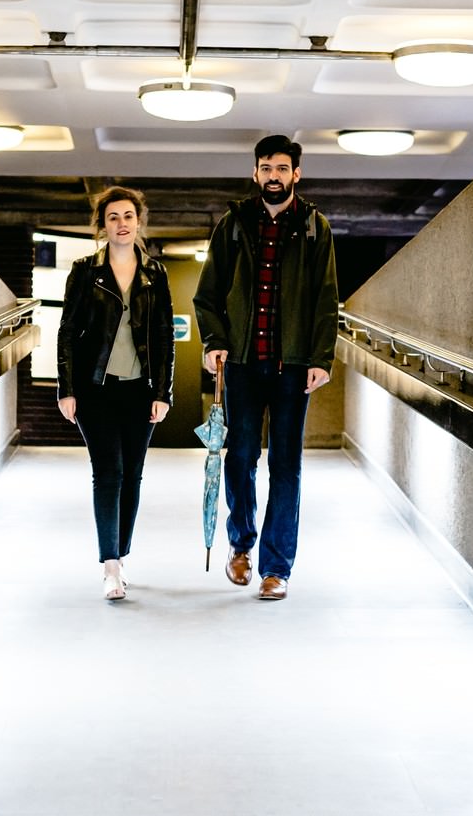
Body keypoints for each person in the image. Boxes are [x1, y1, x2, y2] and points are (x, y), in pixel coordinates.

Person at [192, 134, 339, 600]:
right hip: (242, 363)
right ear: (255, 173)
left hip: (294, 366)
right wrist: (216, 342)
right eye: (265, 168)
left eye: (281, 168)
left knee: (287, 466)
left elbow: (325, 299)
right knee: (239, 458)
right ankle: (241, 546)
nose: (273, 176)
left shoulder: (316, 227)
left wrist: (321, 358)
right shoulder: (235, 225)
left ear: (296, 174)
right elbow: (207, 294)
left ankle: (277, 568)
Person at [57, 186, 174, 601]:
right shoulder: (84, 271)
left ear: (138, 221)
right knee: (109, 472)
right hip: (95, 390)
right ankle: (109, 565)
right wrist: (66, 388)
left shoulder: (155, 274)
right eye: (113, 217)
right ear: (102, 225)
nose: (121, 224)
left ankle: (120, 555)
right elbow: (68, 331)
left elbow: (163, 336)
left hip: (141, 391)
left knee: (133, 476)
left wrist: (164, 391)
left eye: (128, 216)